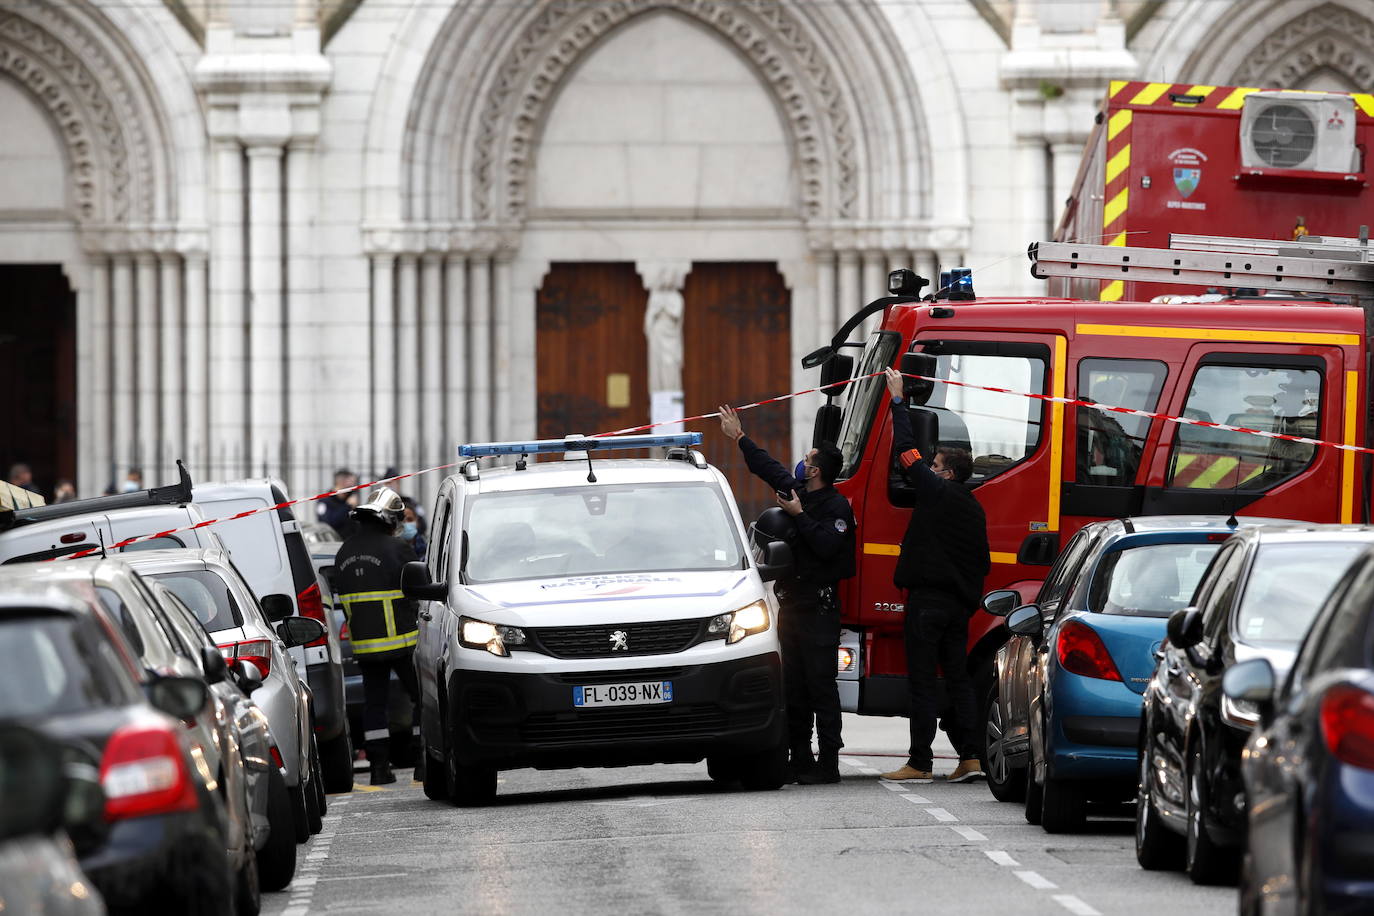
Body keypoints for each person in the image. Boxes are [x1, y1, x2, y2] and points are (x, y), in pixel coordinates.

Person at [718, 404, 855, 785]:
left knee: (821, 688)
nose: (800, 462)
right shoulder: (798, 492)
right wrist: (740, 437)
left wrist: (798, 515)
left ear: (815, 471)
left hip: (820, 609)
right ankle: (800, 759)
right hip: (793, 606)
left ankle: (828, 764)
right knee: (793, 687)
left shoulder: (835, 506)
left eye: (807, 459)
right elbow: (768, 468)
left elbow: (828, 546)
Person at [879, 367, 991, 784]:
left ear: (946, 473)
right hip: (957, 608)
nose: (928, 466)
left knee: (923, 683)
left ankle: (920, 762)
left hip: (927, 604)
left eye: (935, 464)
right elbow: (980, 561)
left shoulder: (936, 491)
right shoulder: (973, 507)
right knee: (958, 680)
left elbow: (905, 451)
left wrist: (897, 399)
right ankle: (971, 758)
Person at [333, 486, 423, 785]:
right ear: (387, 519)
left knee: (375, 704)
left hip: (366, 646)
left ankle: (378, 768)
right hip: (405, 641)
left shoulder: (344, 551)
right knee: (422, 698)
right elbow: (419, 590)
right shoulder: (398, 549)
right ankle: (423, 761)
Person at [317, 469, 360, 538]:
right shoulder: (324, 501)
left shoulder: (350, 497)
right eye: (351, 482)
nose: (353, 485)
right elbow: (328, 523)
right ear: (341, 482)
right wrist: (347, 506)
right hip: (333, 540)